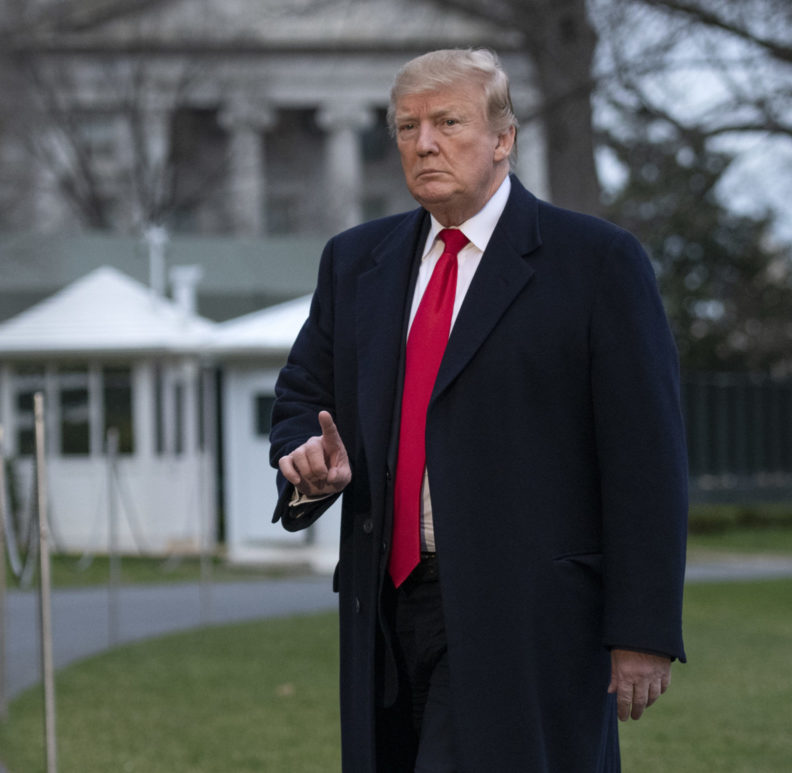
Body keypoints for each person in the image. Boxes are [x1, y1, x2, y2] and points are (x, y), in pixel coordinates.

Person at [269, 48, 688, 772]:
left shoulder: (595, 262)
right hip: (386, 612)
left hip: (530, 617)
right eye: (406, 127)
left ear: (504, 138)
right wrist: (309, 459)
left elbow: (646, 457)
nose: (424, 142)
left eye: (448, 122)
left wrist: (642, 627)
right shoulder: (353, 261)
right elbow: (304, 397)